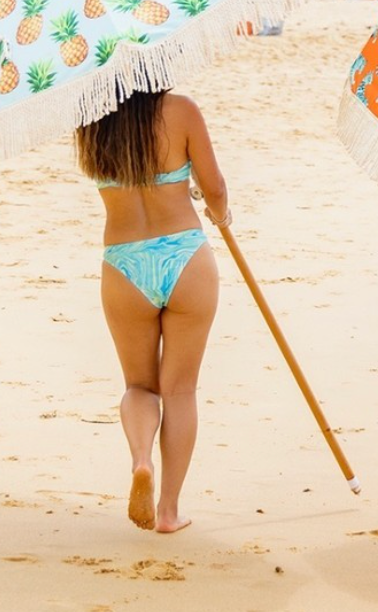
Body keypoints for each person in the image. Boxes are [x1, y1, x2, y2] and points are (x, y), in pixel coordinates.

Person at [74, 88, 228, 534]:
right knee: (180, 390)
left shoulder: (91, 116)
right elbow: (214, 187)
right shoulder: (181, 111)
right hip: (184, 256)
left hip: (124, 262)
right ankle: (168, 511)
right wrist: (222, 212)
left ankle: (141, 459)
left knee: (140, 385)